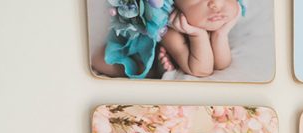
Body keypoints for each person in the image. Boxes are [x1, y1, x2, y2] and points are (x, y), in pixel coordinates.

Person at [93, 0, 245, 79]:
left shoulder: (212, 21)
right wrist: (197, 35)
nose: (216, 4)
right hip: (142, 60)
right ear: (174, 5)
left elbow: (221, 65)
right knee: (102, 60)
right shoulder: (169, 31)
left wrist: (221, 34)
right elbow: (202, 70)